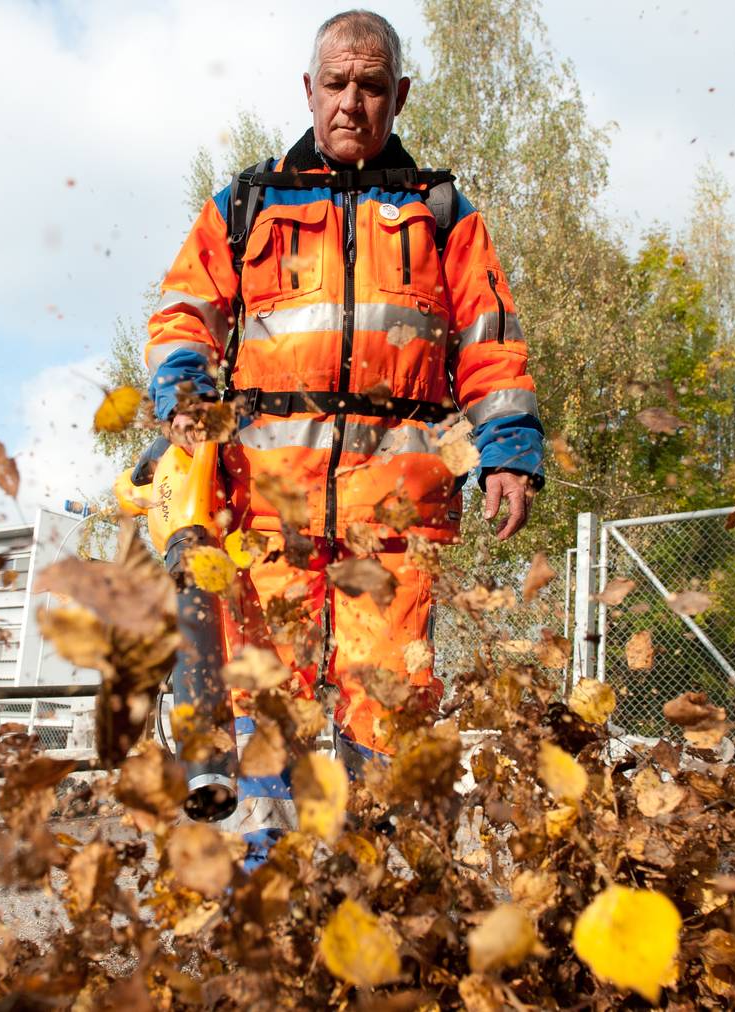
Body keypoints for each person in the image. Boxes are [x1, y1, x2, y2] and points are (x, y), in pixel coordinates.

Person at [143, 9, 543, 851]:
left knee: (389, 712)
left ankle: (380, 914)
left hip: (392, 531)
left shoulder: (443, 213)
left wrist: (508, 448)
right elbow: (183, 312)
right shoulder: (246, 205)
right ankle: (265, 915)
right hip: (266, 520)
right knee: (264, 711)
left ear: (398, 95)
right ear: (309, 90)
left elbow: (491, 340)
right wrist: (179, 383)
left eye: (371, 87)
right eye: (337, 85)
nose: (352, 103)